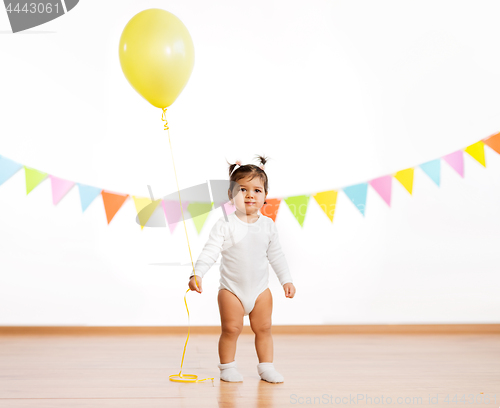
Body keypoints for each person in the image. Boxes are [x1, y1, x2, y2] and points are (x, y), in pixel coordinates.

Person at [188, 154, 296, 383]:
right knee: (231, 329)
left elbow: (276, 255)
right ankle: (227, 367)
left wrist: (286, 279)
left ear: (265, 195)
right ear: (230, 195)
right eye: (242, 190)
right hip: (231, 290)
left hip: (260, 290)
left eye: (257, 190)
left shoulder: (268, 225)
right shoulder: (225, 225)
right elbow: (210, 251)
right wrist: (197, 273)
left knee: (264, 328)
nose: (250, 195)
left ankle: (266, 367)